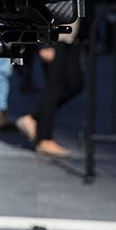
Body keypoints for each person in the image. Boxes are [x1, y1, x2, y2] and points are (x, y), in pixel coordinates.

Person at [16, 22, 83, 157]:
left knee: (75, 83)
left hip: (69, 36)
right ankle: (44, 139)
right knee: (54, 87)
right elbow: (47, 4)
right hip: (54, 37)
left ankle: (33, 118)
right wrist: (45, 44)